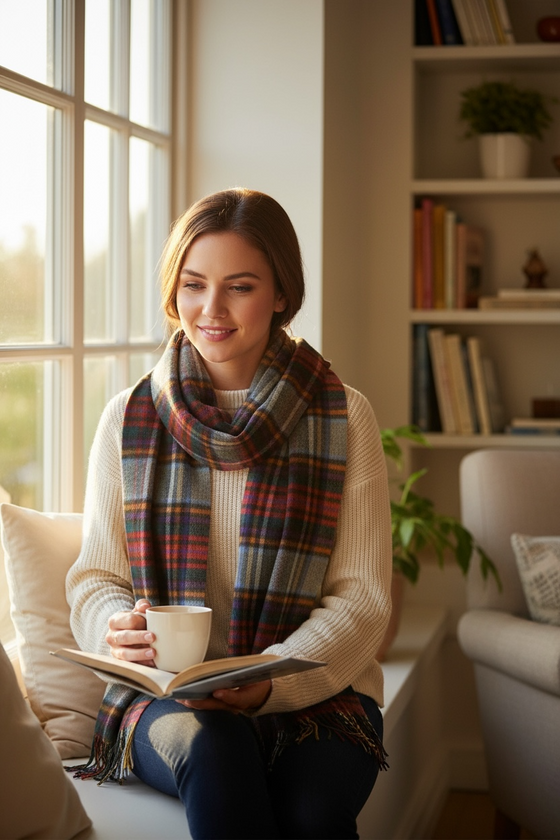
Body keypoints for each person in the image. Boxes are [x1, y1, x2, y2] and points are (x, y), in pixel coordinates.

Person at [66, 188, 392, 840]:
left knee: (312, 813)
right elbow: (94, 580)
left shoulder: (342, 415)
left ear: (280, 294)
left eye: (238, 287)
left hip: (317, 694)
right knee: (218, 752)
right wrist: (116, 628)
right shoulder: (128, 418)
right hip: (167, 698)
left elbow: (361, 600)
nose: (209, 310)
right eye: (193, 285)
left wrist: (271, 685)